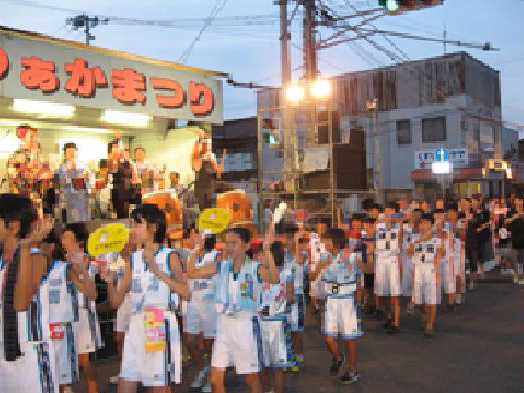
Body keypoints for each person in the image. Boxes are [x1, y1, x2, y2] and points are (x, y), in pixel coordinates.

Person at [102, 204, 189, 393]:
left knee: (158, 385)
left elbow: (186, 292)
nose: (133, 229)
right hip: (135, 324)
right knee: (125, 384)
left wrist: (157, 271)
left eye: (138, 224)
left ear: (154, 227)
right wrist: (109, 282)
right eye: (133, 224)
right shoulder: (132, 259)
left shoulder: (169, 256)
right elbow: (116, 301)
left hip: (157, 321)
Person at [188, 227, 279, 393]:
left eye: (233, 243)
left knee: (251, 378)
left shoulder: (254, 268)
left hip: (246, 326)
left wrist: (267, 251)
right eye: (226, 243)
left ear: (245, 246)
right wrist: (196, 249)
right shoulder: (221, 266)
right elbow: (192, 273)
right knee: (216, 378)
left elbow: (274, 278)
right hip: (223, 326)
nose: (229, 247)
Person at [0, 194, 58, 393]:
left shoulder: (36, 257)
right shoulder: (2, 261)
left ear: (13, 226)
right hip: (5, 353)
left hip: (31, 354)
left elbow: (21, 304)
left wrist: (25, 247)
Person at [312, 228, 362, 384]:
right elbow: (312, 277)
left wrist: (359, 300)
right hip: (331, 301)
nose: (324, 244)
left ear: (335, 242)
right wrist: (320, 267)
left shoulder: (350, 256)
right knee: (328, 338)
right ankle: (338, 357)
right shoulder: (324, 257)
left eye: (327, 241)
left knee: (350, 339)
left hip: (347, 302)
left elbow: (361, 276)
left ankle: (352, 370)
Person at [61, 223, 100, 393]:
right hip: (66, 316)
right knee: (65, 358)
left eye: (68, 238)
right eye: (63, 238)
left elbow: (90, 291)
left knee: (84, 360)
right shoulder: (60, 262)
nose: (64, 241)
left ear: (78, 242)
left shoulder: (88, 261)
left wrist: (76, 271)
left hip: (84, 315)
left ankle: (93, 388)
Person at [259, 240, 295, 393]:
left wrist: (280, 296)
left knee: (272, 366)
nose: (260, 255)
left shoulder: (284, 273)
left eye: (263, 253)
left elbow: (292, 298)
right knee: (269, 366)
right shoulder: (260, 272)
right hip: (268, 322)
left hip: (272, 323)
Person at [186, 233, 220, 392]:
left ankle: (211, 378)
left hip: (210, 304)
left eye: (203, 237)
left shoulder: (216, 256)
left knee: (209, 343)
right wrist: (194, 252)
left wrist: (194, 260)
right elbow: (189, 273)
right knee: (189, 341)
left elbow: (193, 273)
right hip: (193, 303)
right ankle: (202, 369)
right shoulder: (191, 255)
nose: (199, 239)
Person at [409, 212, 444, 337]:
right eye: (422, 223)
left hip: (430, 270)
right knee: (419, 300)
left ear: (431, 225)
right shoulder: (415, 238)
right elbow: (409, 252)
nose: (424, 225)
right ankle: (426, 315)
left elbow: (442, 253)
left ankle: (430, 324)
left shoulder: (437, 239)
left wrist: (437, 271)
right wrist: (418, 241)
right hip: (418, 269)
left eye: (427, 223)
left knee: (431, 299)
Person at [374, 203, 402, 334]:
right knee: (383, 293)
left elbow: (400, 240)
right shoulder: (378, 225)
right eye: (386, 211)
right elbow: (372, 231)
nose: (388, 213)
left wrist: (395, 219)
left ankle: (396, 323)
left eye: (391, 211)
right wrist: (382, 219)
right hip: (380, 261)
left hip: (392, 261)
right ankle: (389, 317)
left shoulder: (400, 225)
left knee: (394, 294)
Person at [192, 131, 226, 210]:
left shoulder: (211, 156)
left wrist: (220, 168)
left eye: (208, 143)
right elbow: (196, 164)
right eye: (205, 143)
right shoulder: (197, 157)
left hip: (209, 188)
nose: (207, 146)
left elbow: (218, 174)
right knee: (201, 209)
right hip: (200, 188)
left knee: (209, 209)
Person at [57, 142, 90, 223]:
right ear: (65, 154)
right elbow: (61, 184)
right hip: (69, 201)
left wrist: (86, 178)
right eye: (69, 152)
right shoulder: (62, 167)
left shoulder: (83, 165)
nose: (71, 154)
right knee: (71, 224)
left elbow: (87, 182)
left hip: (82, 200)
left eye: (73, 152)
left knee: (83, 224)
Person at [509, 197, 524, 284]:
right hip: (514, 240)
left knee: (522, 261)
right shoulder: (512, 212)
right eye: (518, 202)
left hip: (522, 241)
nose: (519, 203)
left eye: (521, 202)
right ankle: (515, 274)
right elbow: (507, 224)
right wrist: (513, 218)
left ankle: (521, 277)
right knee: (514, 259)